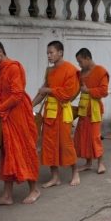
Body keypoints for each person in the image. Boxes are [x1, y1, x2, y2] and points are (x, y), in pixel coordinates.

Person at [0, 40, 41, 207]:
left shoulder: (13, 67)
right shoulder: (2, 69)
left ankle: (34, 189)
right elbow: (3, 93)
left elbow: (16, 95)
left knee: (24, 150)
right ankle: (7, 195)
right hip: (7, 115)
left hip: (18, 115)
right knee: (9, 153)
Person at [32, 41, 81, 187]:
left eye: (51, 52)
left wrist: (48, 91)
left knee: (66, 143)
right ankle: (55, 177)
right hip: (50, 113)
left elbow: (67, 94)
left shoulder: (71, 70)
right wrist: (30, 106)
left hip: (63, 112)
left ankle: (75, 172)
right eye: (47, 53)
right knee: (49, 144)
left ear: (60, 52)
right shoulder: (50, 71)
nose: (49, 55)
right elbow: (43, 90)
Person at [73, 48, 109, 174]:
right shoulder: (81, 73)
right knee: (83, 136)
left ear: (88, 59)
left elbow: (104, 92)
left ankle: (100, 163)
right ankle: (88, 163)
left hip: (94, 108)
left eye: (80, 61)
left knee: (94, 137)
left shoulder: (101, 71)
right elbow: (77, 90)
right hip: (83, 108)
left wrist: (88, 91)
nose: (79, 64)